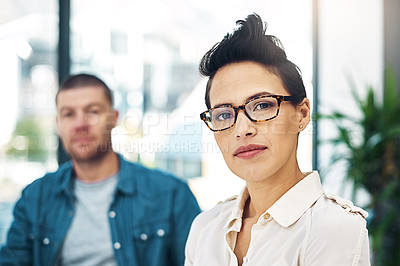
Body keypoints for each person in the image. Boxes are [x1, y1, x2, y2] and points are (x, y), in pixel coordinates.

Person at [185, 13, 370, 266]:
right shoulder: (205, 228)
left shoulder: (333, 227)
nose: (242, 129)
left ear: (302, 114)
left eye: (261, 105)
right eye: (224, 114)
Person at [0, 73, 201, 266]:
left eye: (93, 112)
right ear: (58, 124)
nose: (80, 124)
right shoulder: (35, 198)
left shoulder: (171, 195)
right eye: (68, 114)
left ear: (113, 118)